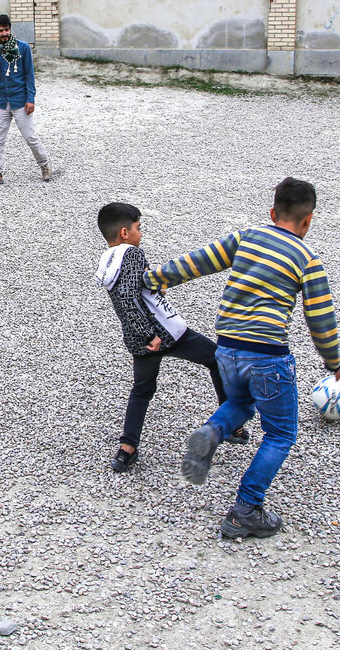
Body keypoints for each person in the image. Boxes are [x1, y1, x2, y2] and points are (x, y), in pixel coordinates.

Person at [143, 178, 340, 539]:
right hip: (267, 354)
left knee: (240, 400)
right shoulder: (307, 259)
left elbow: (198, 262)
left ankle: (213, 431)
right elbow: (320, 321)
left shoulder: (247, 237)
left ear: (272, 212)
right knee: (281, 433)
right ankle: (245, 509)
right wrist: (334, 363)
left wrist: (156, 277)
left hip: (227, 348)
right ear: (308, 220)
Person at [95, 202, 248, 474]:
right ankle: (232, 423)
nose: (141, 233)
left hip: (139, 339)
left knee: (142, 390)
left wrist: (152, 291)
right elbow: (127, 298)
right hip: (164, 332)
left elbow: (133, 289)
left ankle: (127, 448)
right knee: (216, 359)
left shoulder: (109, 259)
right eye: (138, 228)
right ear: (124, 233)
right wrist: (148, 333)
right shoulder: (131, 254)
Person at [0, 13, 51, 186]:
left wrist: (30, 99)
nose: (4, 34)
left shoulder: (23, 49)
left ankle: (45, 165)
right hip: (1, 102)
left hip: (20, 102)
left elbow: (29, 76)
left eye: (7, 29)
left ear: (11, 29)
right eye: (1, 31)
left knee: (30, 137)